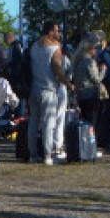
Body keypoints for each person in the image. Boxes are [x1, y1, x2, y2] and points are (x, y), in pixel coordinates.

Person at [28, 20, 75, 166]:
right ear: (50, 32)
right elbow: (57, 69)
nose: (59, 33)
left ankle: (32, 154)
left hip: (34, 87)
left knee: (33, 121)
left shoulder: (34, 46)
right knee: (48, 123)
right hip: (48, 89)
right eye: (57, 30)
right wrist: (68, 83)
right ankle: (48, 155)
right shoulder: (55, 48)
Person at [71, 33, 106, 155]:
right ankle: (92, 147)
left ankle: (85, 147)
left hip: (81, 96)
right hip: (90, 94)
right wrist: (103, 70)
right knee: (92, 123)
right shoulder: (89, 62)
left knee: (85, 122)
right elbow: (96, 79)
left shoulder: (78, 61)